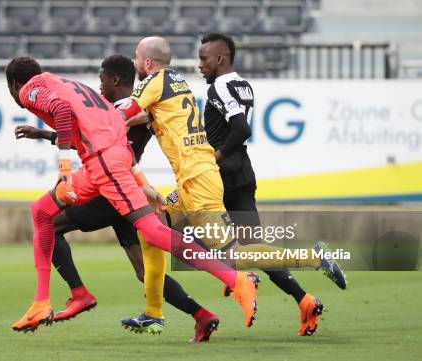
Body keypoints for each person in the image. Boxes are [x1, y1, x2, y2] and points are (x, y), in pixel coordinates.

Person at [5, 56, 259, 334]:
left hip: (103, 166)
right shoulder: (69, 84)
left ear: (15, 84)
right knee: (41, 211)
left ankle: (234, 279)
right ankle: (48, 300)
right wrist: (143, 182)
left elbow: (62, 110)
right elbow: (114, 128)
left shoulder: (30, 89)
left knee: (154, 234)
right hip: (103, 165)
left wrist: (64, 172)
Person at [118, 36, 345, 333]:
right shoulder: (177, 81)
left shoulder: (167, 81)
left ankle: (312, 258)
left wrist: (87, 117)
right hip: (202, 178)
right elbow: (147, 113)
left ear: (146, 62)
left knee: (235, 254)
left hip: (202, 177)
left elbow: (123, 110)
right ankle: (154, 311)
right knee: (152, 229)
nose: (201, 64)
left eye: (137, 58)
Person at [197, 33, 345, 336]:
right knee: (255, 249)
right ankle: (304, 299)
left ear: (220, 58)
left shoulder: (219, 87)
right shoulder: (242, 84)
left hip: (220, 177)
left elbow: (241, 128)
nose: (200, 64)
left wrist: (215, 157)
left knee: (182, 235)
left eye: (204, 58)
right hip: (242, 174)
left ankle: (238, 278)